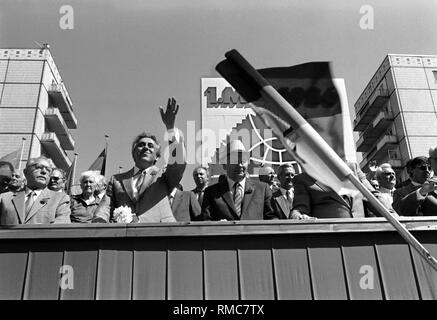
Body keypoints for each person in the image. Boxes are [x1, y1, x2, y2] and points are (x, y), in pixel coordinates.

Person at [93, 98, 185, 223]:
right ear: (133, 153)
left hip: (160, 235)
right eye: (141, 145)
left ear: (157, 156)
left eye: (150, 146)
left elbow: (178, 161)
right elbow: (105, 208)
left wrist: (170, 128)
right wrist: (99, 224)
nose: (146, 147)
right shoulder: (117, 180)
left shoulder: (164, 176)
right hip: (125, 237)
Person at [200, 139, 278, 221]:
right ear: (224, 165)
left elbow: (272, 218)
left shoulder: (263, 189)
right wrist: (218, 226)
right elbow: (205, 222)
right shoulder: (211, 193)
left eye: (243, 161)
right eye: (235, 161)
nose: (240, 165)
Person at [0, 156, 71, 225]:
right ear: (26, 172)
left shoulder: (60, 199)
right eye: (38, 167)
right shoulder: (4, 198)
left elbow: (61, 228)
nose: (44, 171)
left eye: (48, 170)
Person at [290, 172, 364, 219]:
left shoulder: (352, 169)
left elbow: (372, 195)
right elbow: (300, 209)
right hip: (329, 237)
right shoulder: (303, 179)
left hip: (363, 235)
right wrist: (299, 217)